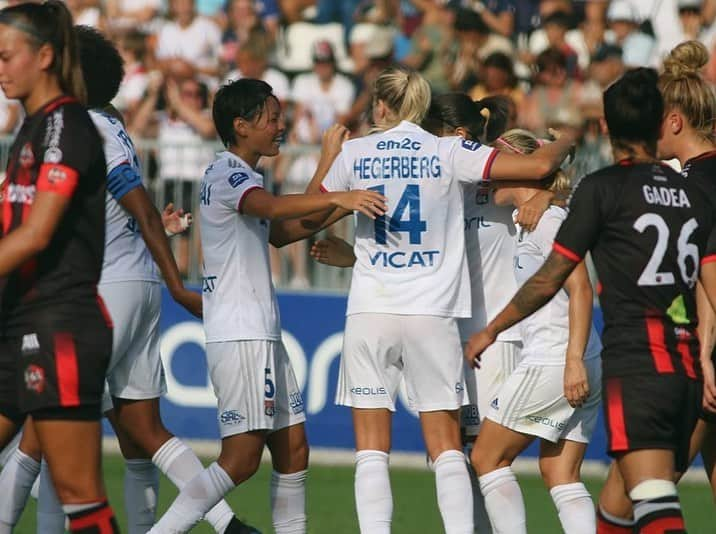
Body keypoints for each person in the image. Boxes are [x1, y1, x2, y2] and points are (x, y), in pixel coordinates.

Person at [0, 25, 260, 534]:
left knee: (41, 426)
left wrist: (179, 281)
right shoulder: (108, 121)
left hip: (103, 288)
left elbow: (134, 201)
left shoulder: (78, 126)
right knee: (140, 429)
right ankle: (223, 523)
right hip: (134, 282)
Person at [316, 65, 576, 534]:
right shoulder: (453, 165)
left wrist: (550, 197)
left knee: (478, 459)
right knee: (465, 454)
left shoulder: (487, 186)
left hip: (489, 338)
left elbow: (538, 180)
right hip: (449, 328)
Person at [465, 67, 716, 534]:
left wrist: (491, 330)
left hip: (639, 366)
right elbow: (710, 282)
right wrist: (706, 353)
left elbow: (553, 279)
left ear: (607, 126)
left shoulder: (603, 190)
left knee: (650, 498)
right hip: (687, 367)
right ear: (660, 119)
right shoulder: (691, 193)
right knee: (613, 509)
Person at [146, 78, 387, 534]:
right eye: (271, 118)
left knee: (294, 449)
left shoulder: (241, 175)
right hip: (241, 334)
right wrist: (336, 186)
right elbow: (273, 207)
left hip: (259, 332)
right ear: (241, 126)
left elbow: (281, 229)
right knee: (240, 460)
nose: (281, 126)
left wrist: (346, 203)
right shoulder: (229, 173)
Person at [0, 2, 119, 532]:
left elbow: (37, 233)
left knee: (81, 497)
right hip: (19, 324)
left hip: (58, 326)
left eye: (7, 57)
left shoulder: (65, 125)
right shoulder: (31, 129)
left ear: (44, 55)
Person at [596, 41, 716, 534]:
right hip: (699, 357)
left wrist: (706, 354)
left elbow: (710, 283)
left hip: (698, 357)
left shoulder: (695, 187)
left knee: (631, 500)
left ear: (672, 121)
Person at [468, 128, 602, 534]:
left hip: (556, 359)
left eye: (498, 164)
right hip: (580, 359)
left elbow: (581, 288)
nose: (488, 174)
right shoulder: (536, 216)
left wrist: (572, 361)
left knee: (486, 458)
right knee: (560, 473)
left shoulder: (548, 219)